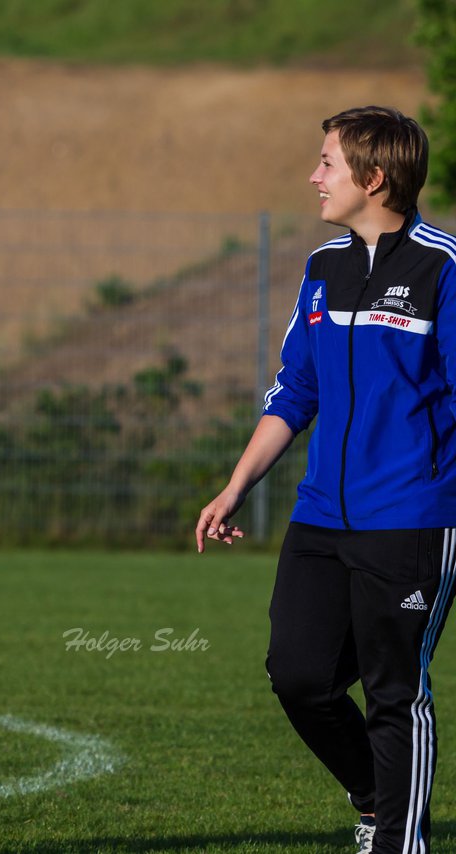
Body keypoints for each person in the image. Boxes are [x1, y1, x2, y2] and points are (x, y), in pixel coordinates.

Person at [196, 106, 456, 854]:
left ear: (373, 178)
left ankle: (401, 841)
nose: (314, 177)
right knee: (299, 676)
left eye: (327, 164)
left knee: (393, 693)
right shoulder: (321, 268)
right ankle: (377, 798)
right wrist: (235, 485)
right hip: (319, 521)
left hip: (412, 519)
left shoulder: (442, 269)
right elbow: (295, 391)